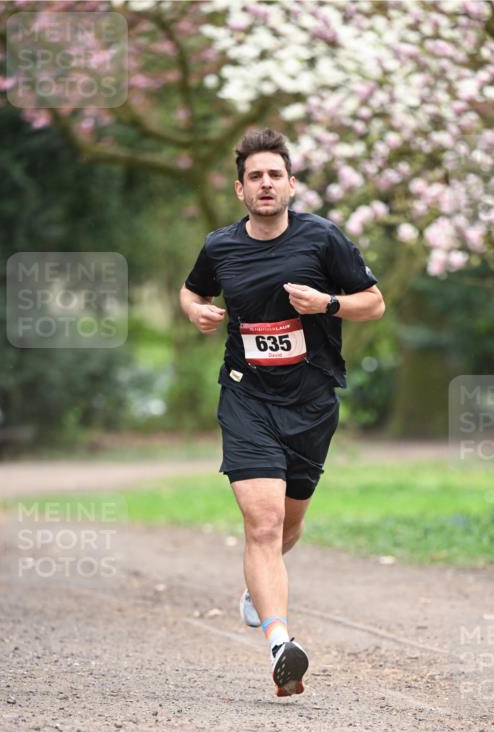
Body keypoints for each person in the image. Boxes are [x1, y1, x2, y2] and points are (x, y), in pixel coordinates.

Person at [180, 128, 384, 697]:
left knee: (289, 524)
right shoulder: (220, 246)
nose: (265, 184)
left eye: (275, 175)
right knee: (263, 523)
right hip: (246, 397)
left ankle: (256, 588)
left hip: (312, 401)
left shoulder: (323, 240)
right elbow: (191, 290)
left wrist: (329, 304)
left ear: (291, 184)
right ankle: (280, 644)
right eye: (255, 177)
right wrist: (197, 311)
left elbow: (375, 301)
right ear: (241, 190)